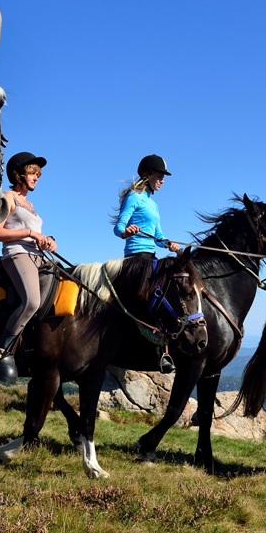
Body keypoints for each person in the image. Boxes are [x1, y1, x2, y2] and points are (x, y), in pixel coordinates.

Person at [0, 152, 57, 383]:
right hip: (17, 255)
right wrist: (29, 233)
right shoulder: (8, 197)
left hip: (39, 256)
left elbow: (35, 232)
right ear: (18, 174)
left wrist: (48, 240)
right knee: (32, 301)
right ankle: (0, 352)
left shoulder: (31, 205)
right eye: (32, 172)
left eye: (38, 174)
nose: (37, 177)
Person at [113, 154, 180, 372]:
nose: (162, 180)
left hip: (151, 257)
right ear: (147, 175)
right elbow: (118, 227)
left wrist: (168, 243)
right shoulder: (135, 196)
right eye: (159, 176)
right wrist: (126, 231)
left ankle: (163, 352)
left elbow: (158, 236)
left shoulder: (153, 204)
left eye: (163, 177)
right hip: (135, 258)